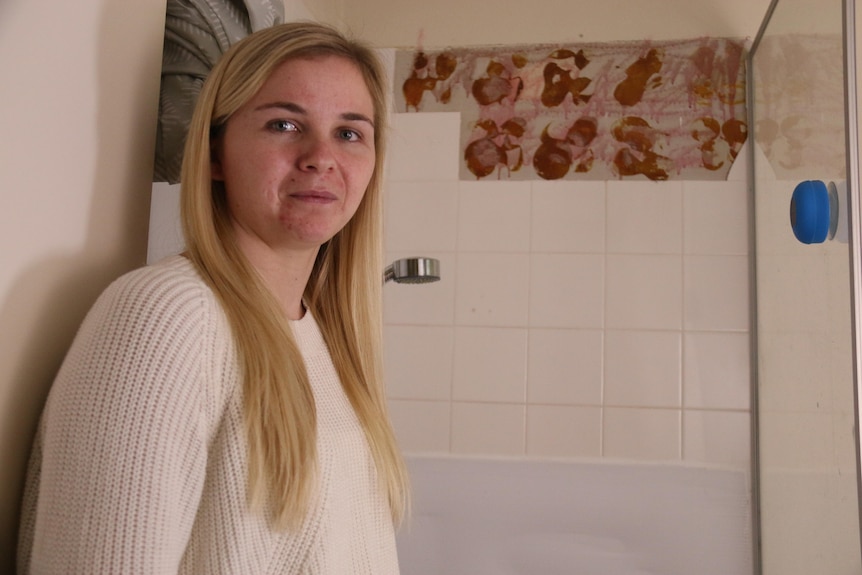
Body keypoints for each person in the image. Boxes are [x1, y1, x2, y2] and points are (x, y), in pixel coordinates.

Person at [18, 21, 409, 574]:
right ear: (215, 155)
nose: (321, 156)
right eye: (284, 124)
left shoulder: (321, 332)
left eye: (350, 133)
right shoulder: (167, 316)